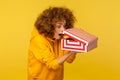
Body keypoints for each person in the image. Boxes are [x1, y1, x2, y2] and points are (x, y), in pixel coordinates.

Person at [28, 7, 77, 80]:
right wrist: (70, 52)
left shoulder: (59, 37)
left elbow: (69, 60)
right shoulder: (38, 40)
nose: (63, 30)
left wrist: (75, 46)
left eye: (64, 26)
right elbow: (52, 64)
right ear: (49, 27)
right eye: (59, 26)